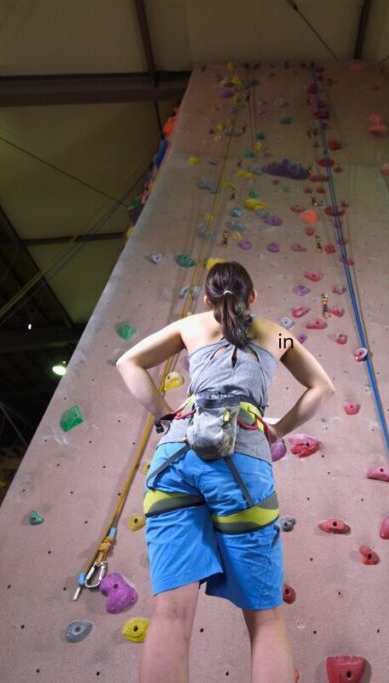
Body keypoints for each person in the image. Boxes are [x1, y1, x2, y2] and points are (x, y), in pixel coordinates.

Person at [116, 261, 335, 683]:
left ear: (207, 299)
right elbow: (323, 386)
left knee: (170, 615)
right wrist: (279, 429)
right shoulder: (275, 332)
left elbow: (129, 362)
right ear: (251, 297)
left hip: (176, 456)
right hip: (242, 459)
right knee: (266, 620)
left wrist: (164, 415)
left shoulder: (190, 325)